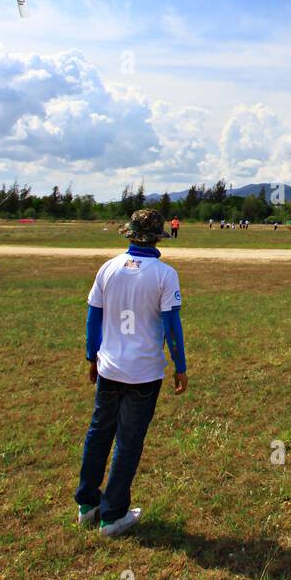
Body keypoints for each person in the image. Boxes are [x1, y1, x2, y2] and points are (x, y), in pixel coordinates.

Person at [75, 208, 187, 537]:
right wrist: (180, 366)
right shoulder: (165, 274)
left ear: (130, 234)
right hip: (144, 374)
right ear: (157, 237)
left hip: (109, 369)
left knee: (98, 433)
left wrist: (91, 356)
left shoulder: (108, 268)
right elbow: (171, 326)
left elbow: (93, 318)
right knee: (128, 441)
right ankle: (112, 516)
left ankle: (87, 504)